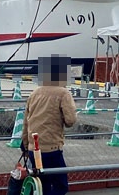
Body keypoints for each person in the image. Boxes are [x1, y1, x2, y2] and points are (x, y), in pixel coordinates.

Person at [20, 54, 77, 195]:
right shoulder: (63, 93)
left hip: (33, 148)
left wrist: (26, 146)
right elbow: (70, 121)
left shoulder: (34, 93)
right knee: (61, 185)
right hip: (52, 148)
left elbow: (26, 122)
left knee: (42, 185)